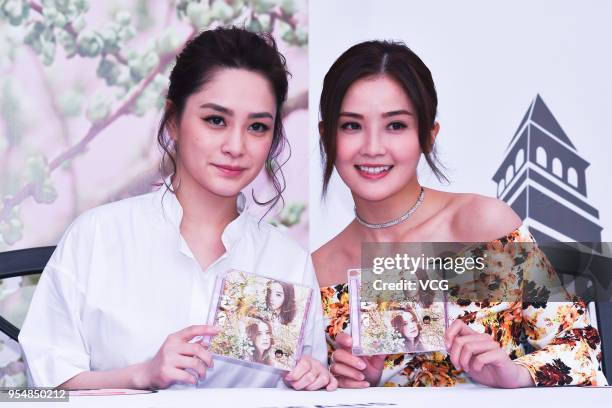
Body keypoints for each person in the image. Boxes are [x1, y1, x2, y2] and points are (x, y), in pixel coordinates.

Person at [19, 27, 336, 392]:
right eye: (216, 120)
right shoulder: (98, 237)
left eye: (257, 127)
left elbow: (304, 388)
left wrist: (313, 377)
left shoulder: (288, 262)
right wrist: (140, 375)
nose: (236, 145)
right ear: (173, 120)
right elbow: (42, 392)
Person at [314, 40, 606, 388]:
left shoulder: (482, 226)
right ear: (325, 136)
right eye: (351, 126)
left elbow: (579, 347)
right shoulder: (317, 270)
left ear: (428, 135)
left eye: (396, 125)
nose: (373, 147)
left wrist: (513, 375)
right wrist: (356, 383)